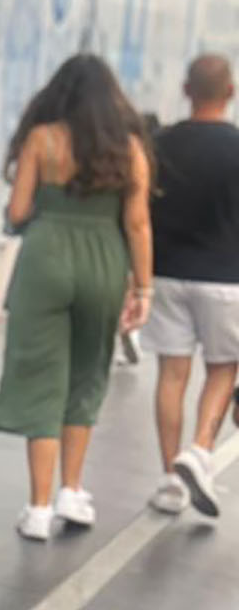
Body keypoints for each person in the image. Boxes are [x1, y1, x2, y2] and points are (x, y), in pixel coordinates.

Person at [0, 55, 153, 542]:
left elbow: (18, 211)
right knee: (86, 373)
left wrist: (38, 212)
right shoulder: (129, 149)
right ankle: (72, 491)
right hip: (104, 260)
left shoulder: (43, 140)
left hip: (45, 259)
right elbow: (139, 224)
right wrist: (143, 288)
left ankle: (37, 508)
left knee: (41, 374)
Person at [145, 54, 239, 518]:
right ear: (232, 92)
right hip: (226, 275)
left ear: (186, 90)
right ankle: (200, 450)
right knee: (223, 367)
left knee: (171, 374)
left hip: (167, 271)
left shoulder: (161, 144)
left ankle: (169, 481)